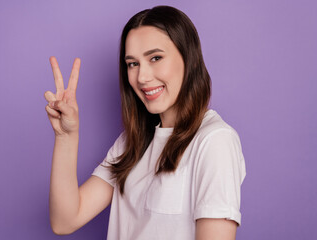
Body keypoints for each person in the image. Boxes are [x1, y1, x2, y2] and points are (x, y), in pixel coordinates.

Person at [44, 5, 246, 240]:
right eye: (133, 63)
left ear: (188, 58)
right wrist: (66, 137)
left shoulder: (214, 141)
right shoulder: (132, 142)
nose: (142, 77)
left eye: (156, 58)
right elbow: (65, 221)